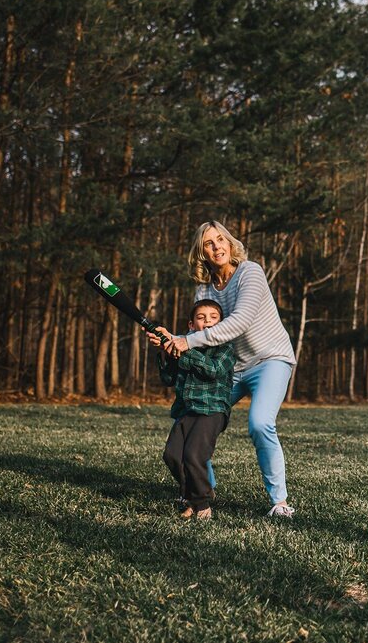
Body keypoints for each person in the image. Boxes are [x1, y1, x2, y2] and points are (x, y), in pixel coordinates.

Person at [151, 220, 298, 518]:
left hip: (269, 359)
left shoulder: (250, 272)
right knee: (189, 415)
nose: (217, 246)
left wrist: (186, 341)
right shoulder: (204, 288)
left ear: (230, 244)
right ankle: (200, 491)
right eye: (209, 243)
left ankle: (279, 502)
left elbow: (239, 321)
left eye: (221, 240)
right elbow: (200, 334)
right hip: (228, 368)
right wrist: (170, 343)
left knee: (259, 424)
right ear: (201, 252)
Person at [158, 299, 236, 520]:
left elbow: (212, 370)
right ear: (191, 325)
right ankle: (190, 494)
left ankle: (201, 504)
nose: (207, 322)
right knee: (172, 455)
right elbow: (167, 378)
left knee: (193, 455)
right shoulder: (181, 348)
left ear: (222, 325)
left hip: (212, 410)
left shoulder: (226, 348)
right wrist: (166, 352)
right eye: (201, 318)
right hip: (187, 410)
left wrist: (184, 348)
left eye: (214, 318)